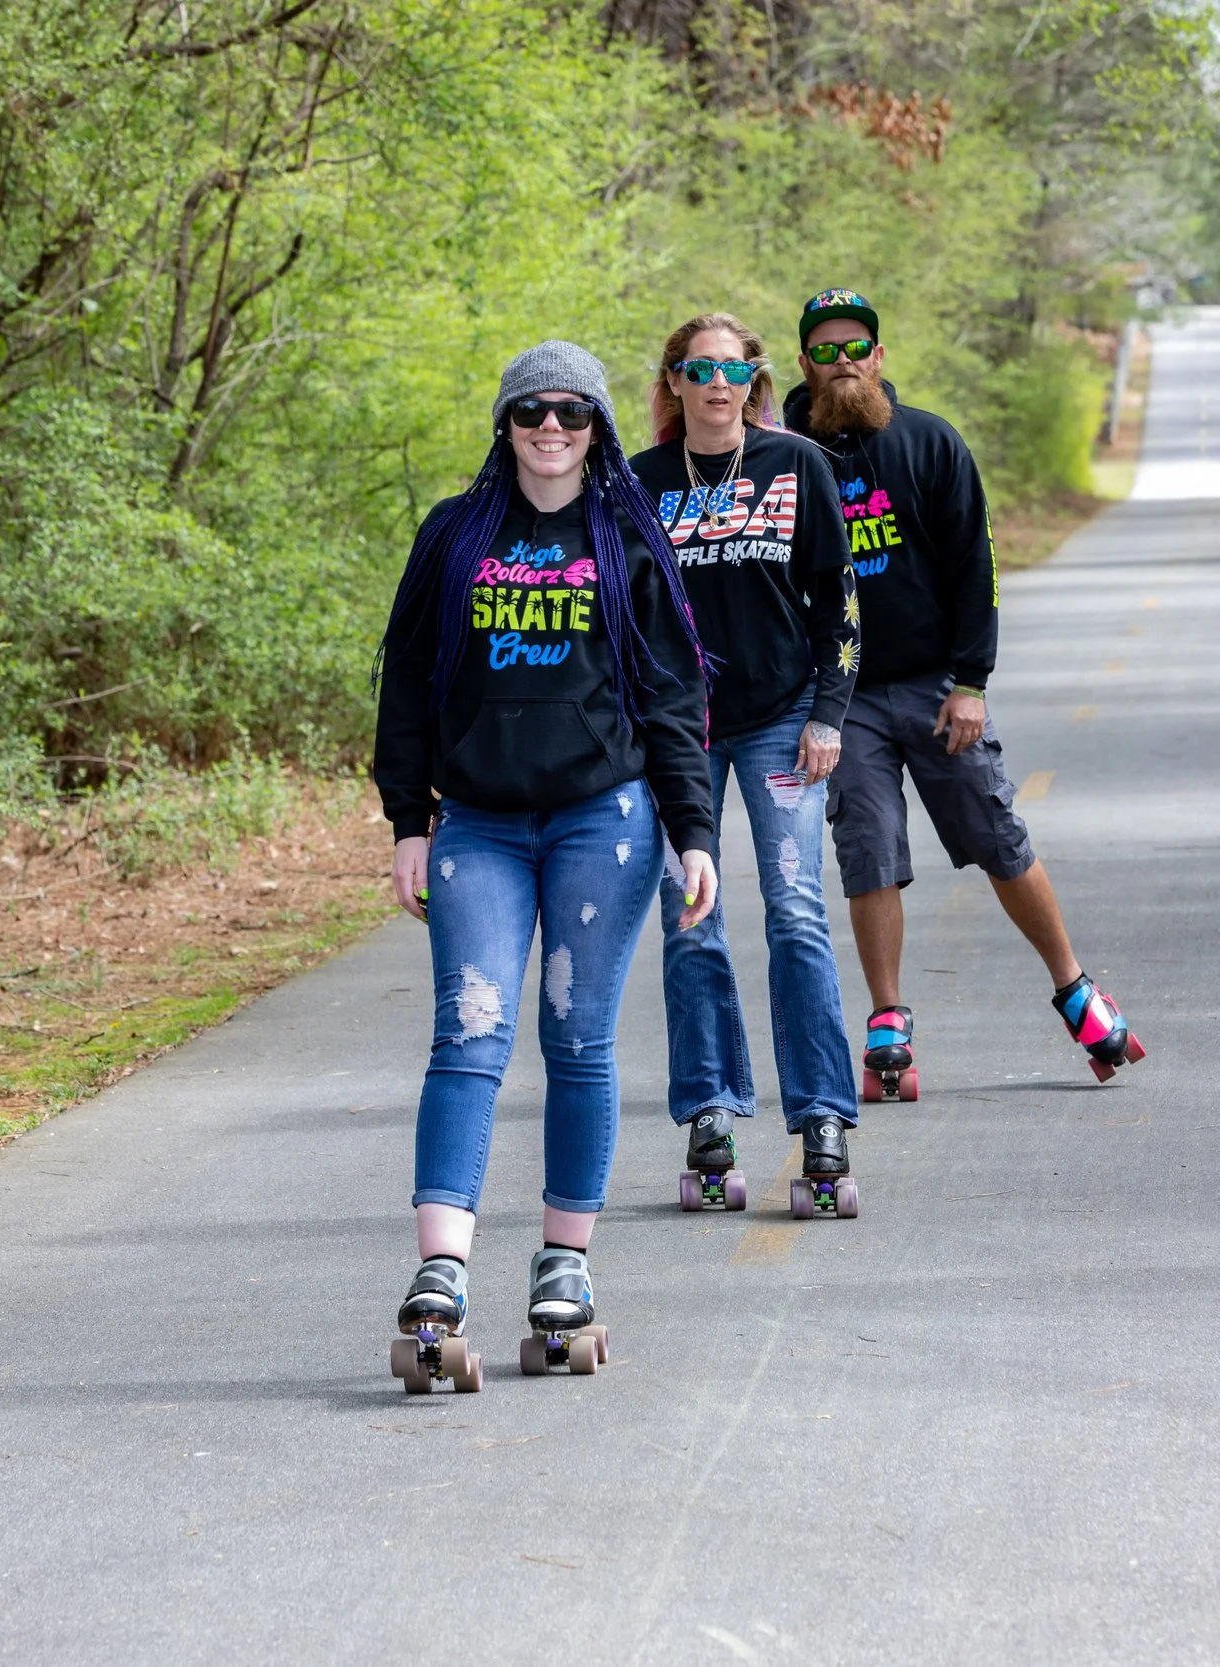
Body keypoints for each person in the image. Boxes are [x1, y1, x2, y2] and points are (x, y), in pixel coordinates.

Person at [374, 340, 718, 1390]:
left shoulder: (626, 534)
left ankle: (564, 1263)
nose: (551, 428)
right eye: (532, 411)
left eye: (571, 411)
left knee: (578, 1043)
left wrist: (691, 829)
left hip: (598, 824)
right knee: (467, 1036)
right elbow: (407, 678)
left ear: (600, 423)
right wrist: (407, 819)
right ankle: (441, 1271)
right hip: (476, 824)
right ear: (506, 424)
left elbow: (670, 696)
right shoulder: (456, 532)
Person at [781, 287, 1144, 1092]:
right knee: (867, 848)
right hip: (841, 697)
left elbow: (974, 571)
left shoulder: (929, 443)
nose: (842, 362)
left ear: (879, 357)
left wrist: (971, 681)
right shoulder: (780, 455)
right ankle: (888, 1022)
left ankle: (1076, 988)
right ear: (804, 361)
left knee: (996, 832)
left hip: (934, 684)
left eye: (857, 348)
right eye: (825, 349)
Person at [628, 312, 862, 1210]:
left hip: (781, 719)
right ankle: (710, 1110)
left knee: (796, 910)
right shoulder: (639, 484)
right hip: (677, 734)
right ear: (676, 382)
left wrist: (829, 714)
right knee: (693, 916)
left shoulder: (796, 464)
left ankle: (823, 1115)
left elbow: (839, 599)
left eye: (732, 369)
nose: (717, 384)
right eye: (699, 369)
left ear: (754, 380)